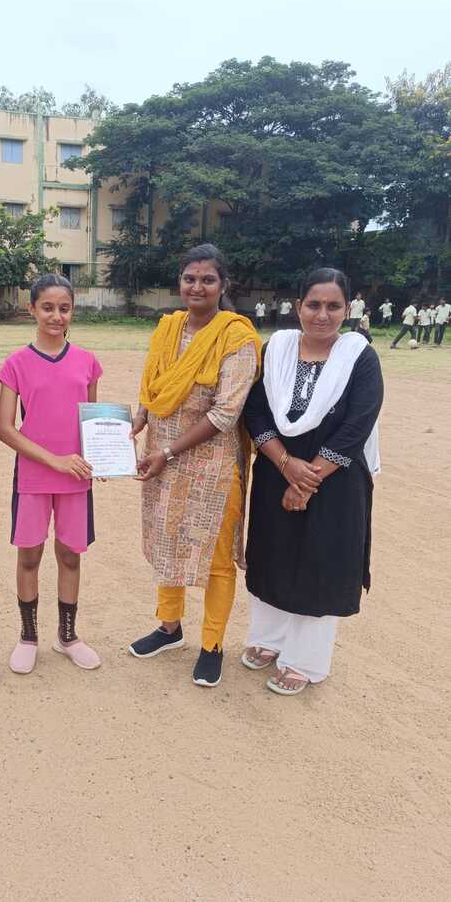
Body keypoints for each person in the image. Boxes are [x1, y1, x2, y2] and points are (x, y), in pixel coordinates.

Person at [242, 268, 383, 695]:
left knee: (320, 562)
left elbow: (357, 425)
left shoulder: (360, 357)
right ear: (298, 305)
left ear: (347, 308)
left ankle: (304, 660)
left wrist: (305, 481)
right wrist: (286, 465)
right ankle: (268, 638)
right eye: (314, 304)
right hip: (275, 473)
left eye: (333, 306)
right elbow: (256, 411)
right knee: (273, 554)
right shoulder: (277, 349)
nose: (323, 315)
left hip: (335, 482)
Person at [127, 244, 261, 687]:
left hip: (212, 468)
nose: (197, 287)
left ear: (223, 285)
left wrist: (167, 452)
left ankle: (212, 644)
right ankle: (169, 628)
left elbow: (225, 414)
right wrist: (139, 418)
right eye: (189, 278)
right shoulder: (168, 328)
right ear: (179, 282)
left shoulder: (237, 338)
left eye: (207, 279)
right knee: (167, 542)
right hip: (161, 460)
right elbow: (153, 386)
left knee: (216, 558)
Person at [0, 274, 103, 675]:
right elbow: (5, 428)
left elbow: (92, 422)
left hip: (75, 478)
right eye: (48, 307)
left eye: (64, 308)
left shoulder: (87, 362)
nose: (56, 316)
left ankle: (68, 637)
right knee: (30, 555)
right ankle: (28, 637)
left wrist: (103, 456)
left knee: (70, 556)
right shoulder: (16, 363)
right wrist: (54, 460)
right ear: (32, 309)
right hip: (34, 477)